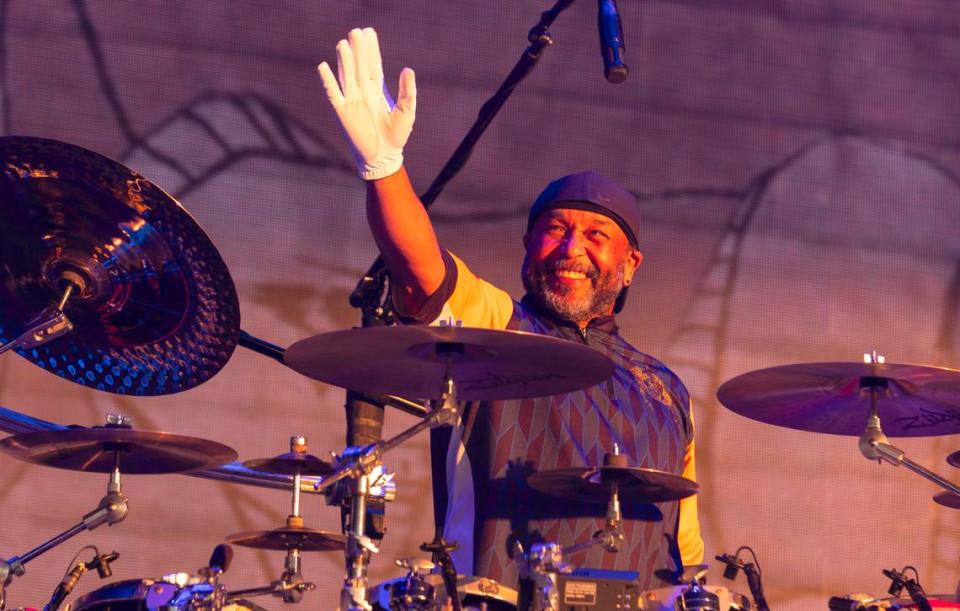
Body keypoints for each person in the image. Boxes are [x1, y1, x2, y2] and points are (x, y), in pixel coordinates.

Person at [318, 27, 703, 591]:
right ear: (528, 247)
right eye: (555, 230)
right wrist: (385, 167)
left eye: (597, 235)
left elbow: (686, 552)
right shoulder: (498, 327)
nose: (572, 249)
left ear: (630, 264)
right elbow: (421, 265)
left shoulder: (667, 389)